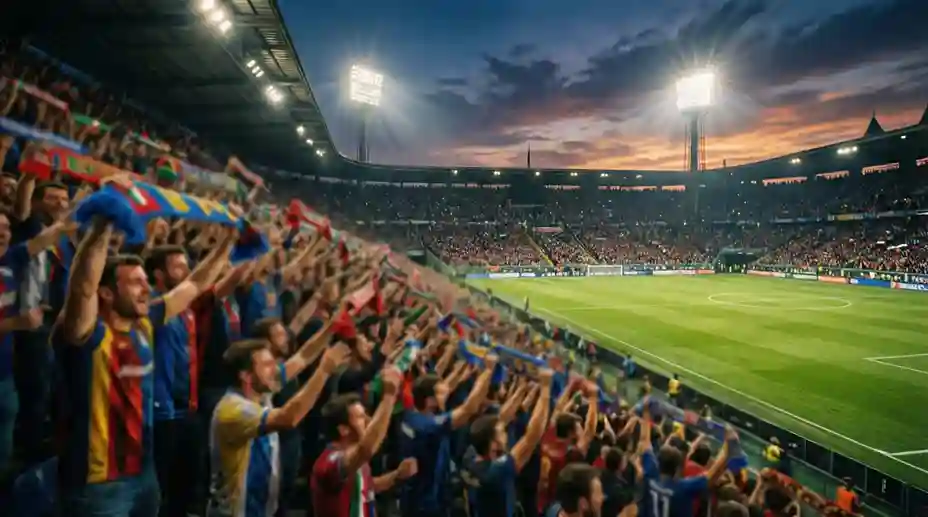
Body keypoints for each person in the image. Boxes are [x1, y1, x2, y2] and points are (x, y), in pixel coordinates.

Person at [54, 213, 230, 517]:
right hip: (98, 485)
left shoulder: (145, 324)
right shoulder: (88, 335)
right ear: (107, 293)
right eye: (136, 283)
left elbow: (196, 283)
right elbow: (82, 287)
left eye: (146, 282)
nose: (147, 289)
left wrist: (230, 240)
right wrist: (102, 225)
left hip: (144, 474)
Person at [207, 339, 352, 517]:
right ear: (246, 376)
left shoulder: (260, 393)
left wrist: (332, 326)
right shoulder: (232, 410)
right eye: (267, 365)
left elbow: (302, 357)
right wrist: (324, 370)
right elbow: (289, 418)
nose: (275, 369)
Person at [147, 241, 235, 517]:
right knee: (163, 491)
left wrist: (228, 243)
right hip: (164, 414)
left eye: (187, 265)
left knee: (187, 488)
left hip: (189, 410)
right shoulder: (155, 308)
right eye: (177, 267)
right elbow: (198, 281)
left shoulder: (188, 309)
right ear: (158, 275)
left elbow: (199, 281)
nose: (185, 271)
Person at [399, 354, 498, 517]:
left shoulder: (411, 417)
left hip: (414, 499)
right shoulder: (428, 426)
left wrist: (465, 366)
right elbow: (468, 409)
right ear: (430, 400)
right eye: (441, 394)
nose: (448, 394)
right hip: (427, 506)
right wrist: (488, 371)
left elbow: (445, 388)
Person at [311, 367, 419, 517]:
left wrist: (397, 475)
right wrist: (389, 397)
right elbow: (366, 449)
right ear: (343, 430)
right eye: (361, 417)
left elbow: (366, 486)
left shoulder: (355, 458)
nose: (368, 420)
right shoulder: (330, 462)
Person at [466, 368, 553, 517]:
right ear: (493, 444)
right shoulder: (497, 470)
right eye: (502, 433)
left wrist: (521, 388)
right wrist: (545, 390)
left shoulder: (471, 455)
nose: (506, 433)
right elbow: (532, 436)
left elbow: (502, 418)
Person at [637, 402, 737, 517]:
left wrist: (645, 413)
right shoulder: (682, 488)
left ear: (657, 462)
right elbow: (712, 476)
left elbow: (644, 441)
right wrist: (729, 448)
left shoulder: (650, 474)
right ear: (677, 469)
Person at [538, 382, 599, 514]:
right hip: (558, 505)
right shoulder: (571, 454)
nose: (580, 429)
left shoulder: (547, 438)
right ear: (571, 433)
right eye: (577, 428)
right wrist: (593, 397)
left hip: (541, 503)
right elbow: (589, 431)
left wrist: (570, 387)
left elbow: (558, 410)